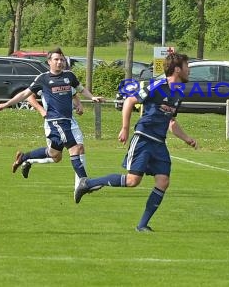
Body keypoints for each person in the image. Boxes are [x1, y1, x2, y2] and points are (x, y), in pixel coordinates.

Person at [74, 52, 198, 232]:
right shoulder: (157, 85)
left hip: (159, 143)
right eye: (187, 67)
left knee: (163, 181)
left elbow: (171, 121)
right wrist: (125, 128)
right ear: (177, 69)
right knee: (133, 181)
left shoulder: (177, 93)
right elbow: (130, 101)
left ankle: (142, 225)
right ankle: (88, 183)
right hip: (144, 139)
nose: (190, 71)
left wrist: (187, 139)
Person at [0, 48, 104, 192]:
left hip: (68, 120)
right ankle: (85, 184)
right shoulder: (43, 79)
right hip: (56, 121)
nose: (60, 62)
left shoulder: (69, 76)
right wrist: (6, 104)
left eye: (62, 60)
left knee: (53, 154)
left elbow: (80, 89)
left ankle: (24, 158)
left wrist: (92, 97)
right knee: (75, 148)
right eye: (56, 60)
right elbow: (26, 94)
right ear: (49, 62)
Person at [20, 90, 86, 190]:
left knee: (79, 148)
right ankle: (29, 160)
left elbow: (74, 95)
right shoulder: (43, 80)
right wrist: (41, 110)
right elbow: (29, 97)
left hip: (70, 123)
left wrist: (79, 105)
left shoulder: (67, 77)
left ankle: (81, 186)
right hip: (52, 125)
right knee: (56, 157)